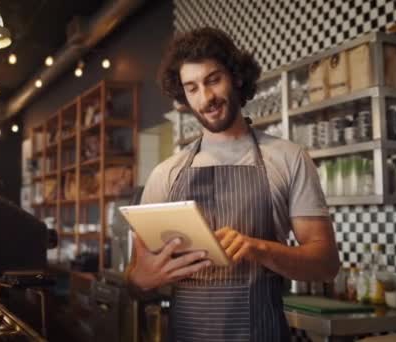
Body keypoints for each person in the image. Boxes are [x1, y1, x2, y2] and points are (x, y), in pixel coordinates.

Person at [126, 27, 340, 341]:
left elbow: (326, 264)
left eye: (213, 79)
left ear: (236, 77)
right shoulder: (165, 174)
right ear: (183, 96)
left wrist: (260, 249)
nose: (207, 97)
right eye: (192, 87)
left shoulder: (288, 158)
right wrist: (142, 280)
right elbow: (135, 280)